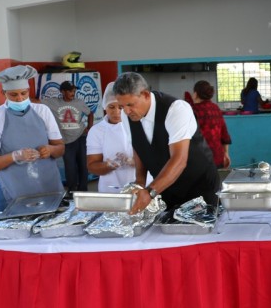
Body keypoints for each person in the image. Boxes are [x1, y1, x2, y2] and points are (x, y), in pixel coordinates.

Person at [112, 72, 221, 214]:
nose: (126, 111)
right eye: (122, 106)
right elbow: (139, 147)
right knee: (167, 225)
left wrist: (150, 192)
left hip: (199, 186)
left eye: (130, 104)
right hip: (165, 186)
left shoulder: (176, 109)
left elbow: (179, 160)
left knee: (202, 225)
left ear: (145, 95)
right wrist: (140, 183)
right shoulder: (128, 116)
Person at [0, 65, 65, 210]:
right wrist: (15, 156)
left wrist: (50, 150)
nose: (20, 99)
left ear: (28, 90)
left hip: (45, 181)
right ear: (3, 93)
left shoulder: (42, 111)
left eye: (24, 93)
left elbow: (60, 148)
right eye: (13, 95)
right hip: (11, 185)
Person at [86, 82, 139, 192]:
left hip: (140, 187)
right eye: (111, 107)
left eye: (121, 107)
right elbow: (92, 166)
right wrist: (107, 166)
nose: (116, 112)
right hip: (110, 189)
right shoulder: (97, 131)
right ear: (105, 106)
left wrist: (134, 162)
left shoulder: (139, 125)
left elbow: (154, 160)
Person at [43, 81, 93, 192]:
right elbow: (37, 101)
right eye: (70, 91)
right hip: (66, 141)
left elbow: (90, 113)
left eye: (74, 91)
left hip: (81, 137)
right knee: (70, 167)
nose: (73, 93)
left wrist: (90, 127)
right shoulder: (54, 102)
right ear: (62, 91)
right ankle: (72, 190)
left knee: (83, 164)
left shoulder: (79, 102)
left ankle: (83, 190)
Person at [184, 80, 232, 168]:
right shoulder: (216, 108)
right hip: (217, 157)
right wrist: (226, 154)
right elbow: (224, 134)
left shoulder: (193, 110)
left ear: (195, 94)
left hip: (199, 159)